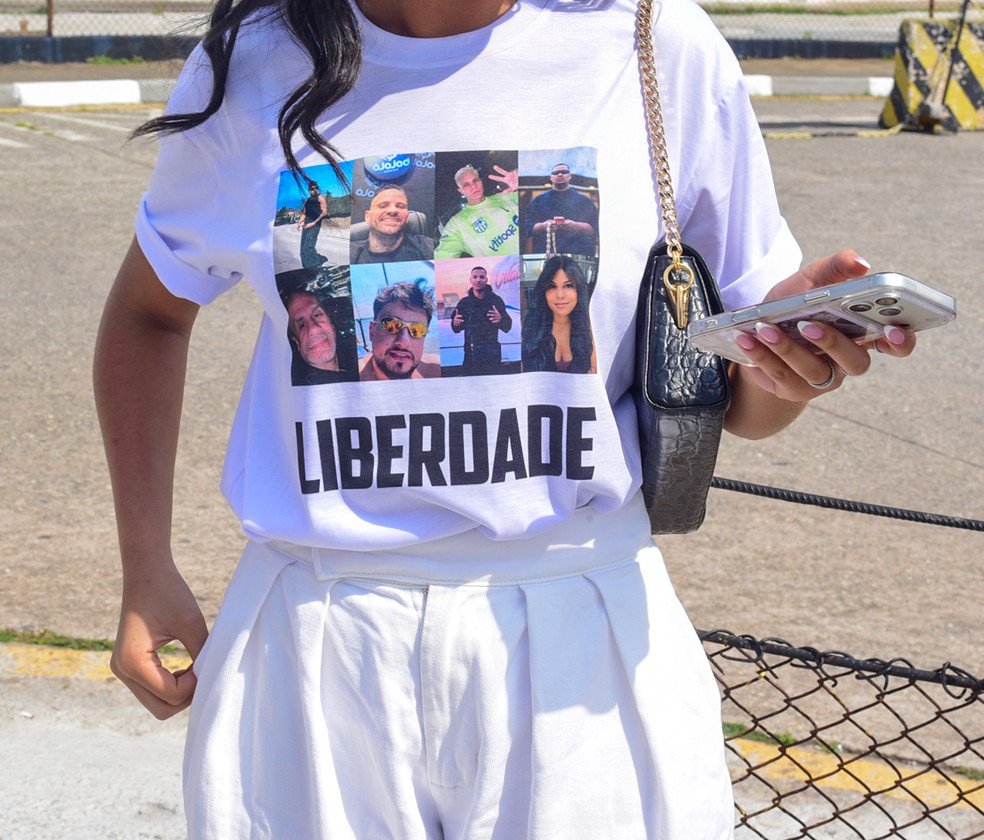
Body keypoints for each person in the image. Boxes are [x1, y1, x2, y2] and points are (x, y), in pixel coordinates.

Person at [93, 1, 918, 837]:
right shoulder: (256, 60)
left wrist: (796, 358)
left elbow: (745, 404)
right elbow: (148, 312)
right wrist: (144, 564)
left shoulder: (656, 43)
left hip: (580, 638)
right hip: (313, 638)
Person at [522, 255, 597, 374]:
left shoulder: (591, 328)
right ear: (544, 291)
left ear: (579, 290)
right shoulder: (528, 326)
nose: (560, 295)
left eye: (568, 285)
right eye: (552, 286)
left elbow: (594, 375)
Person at [434, 164, 521, 258]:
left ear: (481, 181)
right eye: (466, 185)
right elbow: (442, 258)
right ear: (461, 191)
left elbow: (537, 202)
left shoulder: (505, 196)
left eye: (475, 180)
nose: (473, 186)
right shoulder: (457, 225)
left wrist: (526, 182)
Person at [360, 281, 440, 380]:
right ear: (372, 332)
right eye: (391, 326)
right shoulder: (351, 381)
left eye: (417, 330)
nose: (403, 342)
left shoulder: (436, 371)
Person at [284, 287, 356, 385]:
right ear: (296, 341)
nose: (314, 329)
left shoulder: (356, 354)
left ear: (330, 321)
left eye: (317, 315)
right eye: (301, 325)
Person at [525, 163, 599, 256]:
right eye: (556, 172)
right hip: (546, 254)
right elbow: (529, 228)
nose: (560, 174)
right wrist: (544, 226)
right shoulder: (538, 201)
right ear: (551, 177)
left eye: (564, 172)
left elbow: (594, 229)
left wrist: (575, 225)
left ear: (570, 176)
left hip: (577, 254)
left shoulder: (584, 201)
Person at [449, 265, 513, 374]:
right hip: (470, 354)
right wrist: (455, 324)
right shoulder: (464, 303)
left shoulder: (496, 300)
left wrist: (500, 320)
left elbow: (508, 326)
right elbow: (456, 328)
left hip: (491, 354)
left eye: (481, 277)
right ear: (471, 280)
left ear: (486, 280)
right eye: (475, 277)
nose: (478, 280)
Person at [350, 185, 435, 264]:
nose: (393, 210)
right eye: (383, 206)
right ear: (367, 217)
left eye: (400, 206)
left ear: (407, 217)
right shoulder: (350, 253)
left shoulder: (428, 248)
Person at [296, 181, 328, 269]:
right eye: (312, 189)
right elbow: (304, 213)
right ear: (309, 190)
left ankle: (316, 266)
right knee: (303, 248)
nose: (314, 190)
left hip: (315, 224)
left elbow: (324, 212)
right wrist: (299, 222)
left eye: (316, 188)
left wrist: (313, 223)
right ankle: (306, 267)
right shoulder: (307, 200)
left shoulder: (320, 197)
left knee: (309, 247)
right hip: (306, 224)